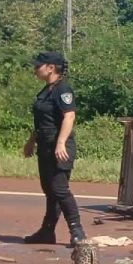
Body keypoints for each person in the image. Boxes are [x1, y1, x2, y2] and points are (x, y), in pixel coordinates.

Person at [23, 52, 86, 246]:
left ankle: (77, 231)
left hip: (60, 147)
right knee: (49, 190)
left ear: (51, 68)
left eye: (38, 66)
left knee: (59, 189)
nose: (35, 69)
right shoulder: (46, 91)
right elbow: (43, 121)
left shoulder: (63, 89)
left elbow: (69, 116)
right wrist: (31, 141)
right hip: (45, 146)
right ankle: (47, 232)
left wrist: (60, 143)